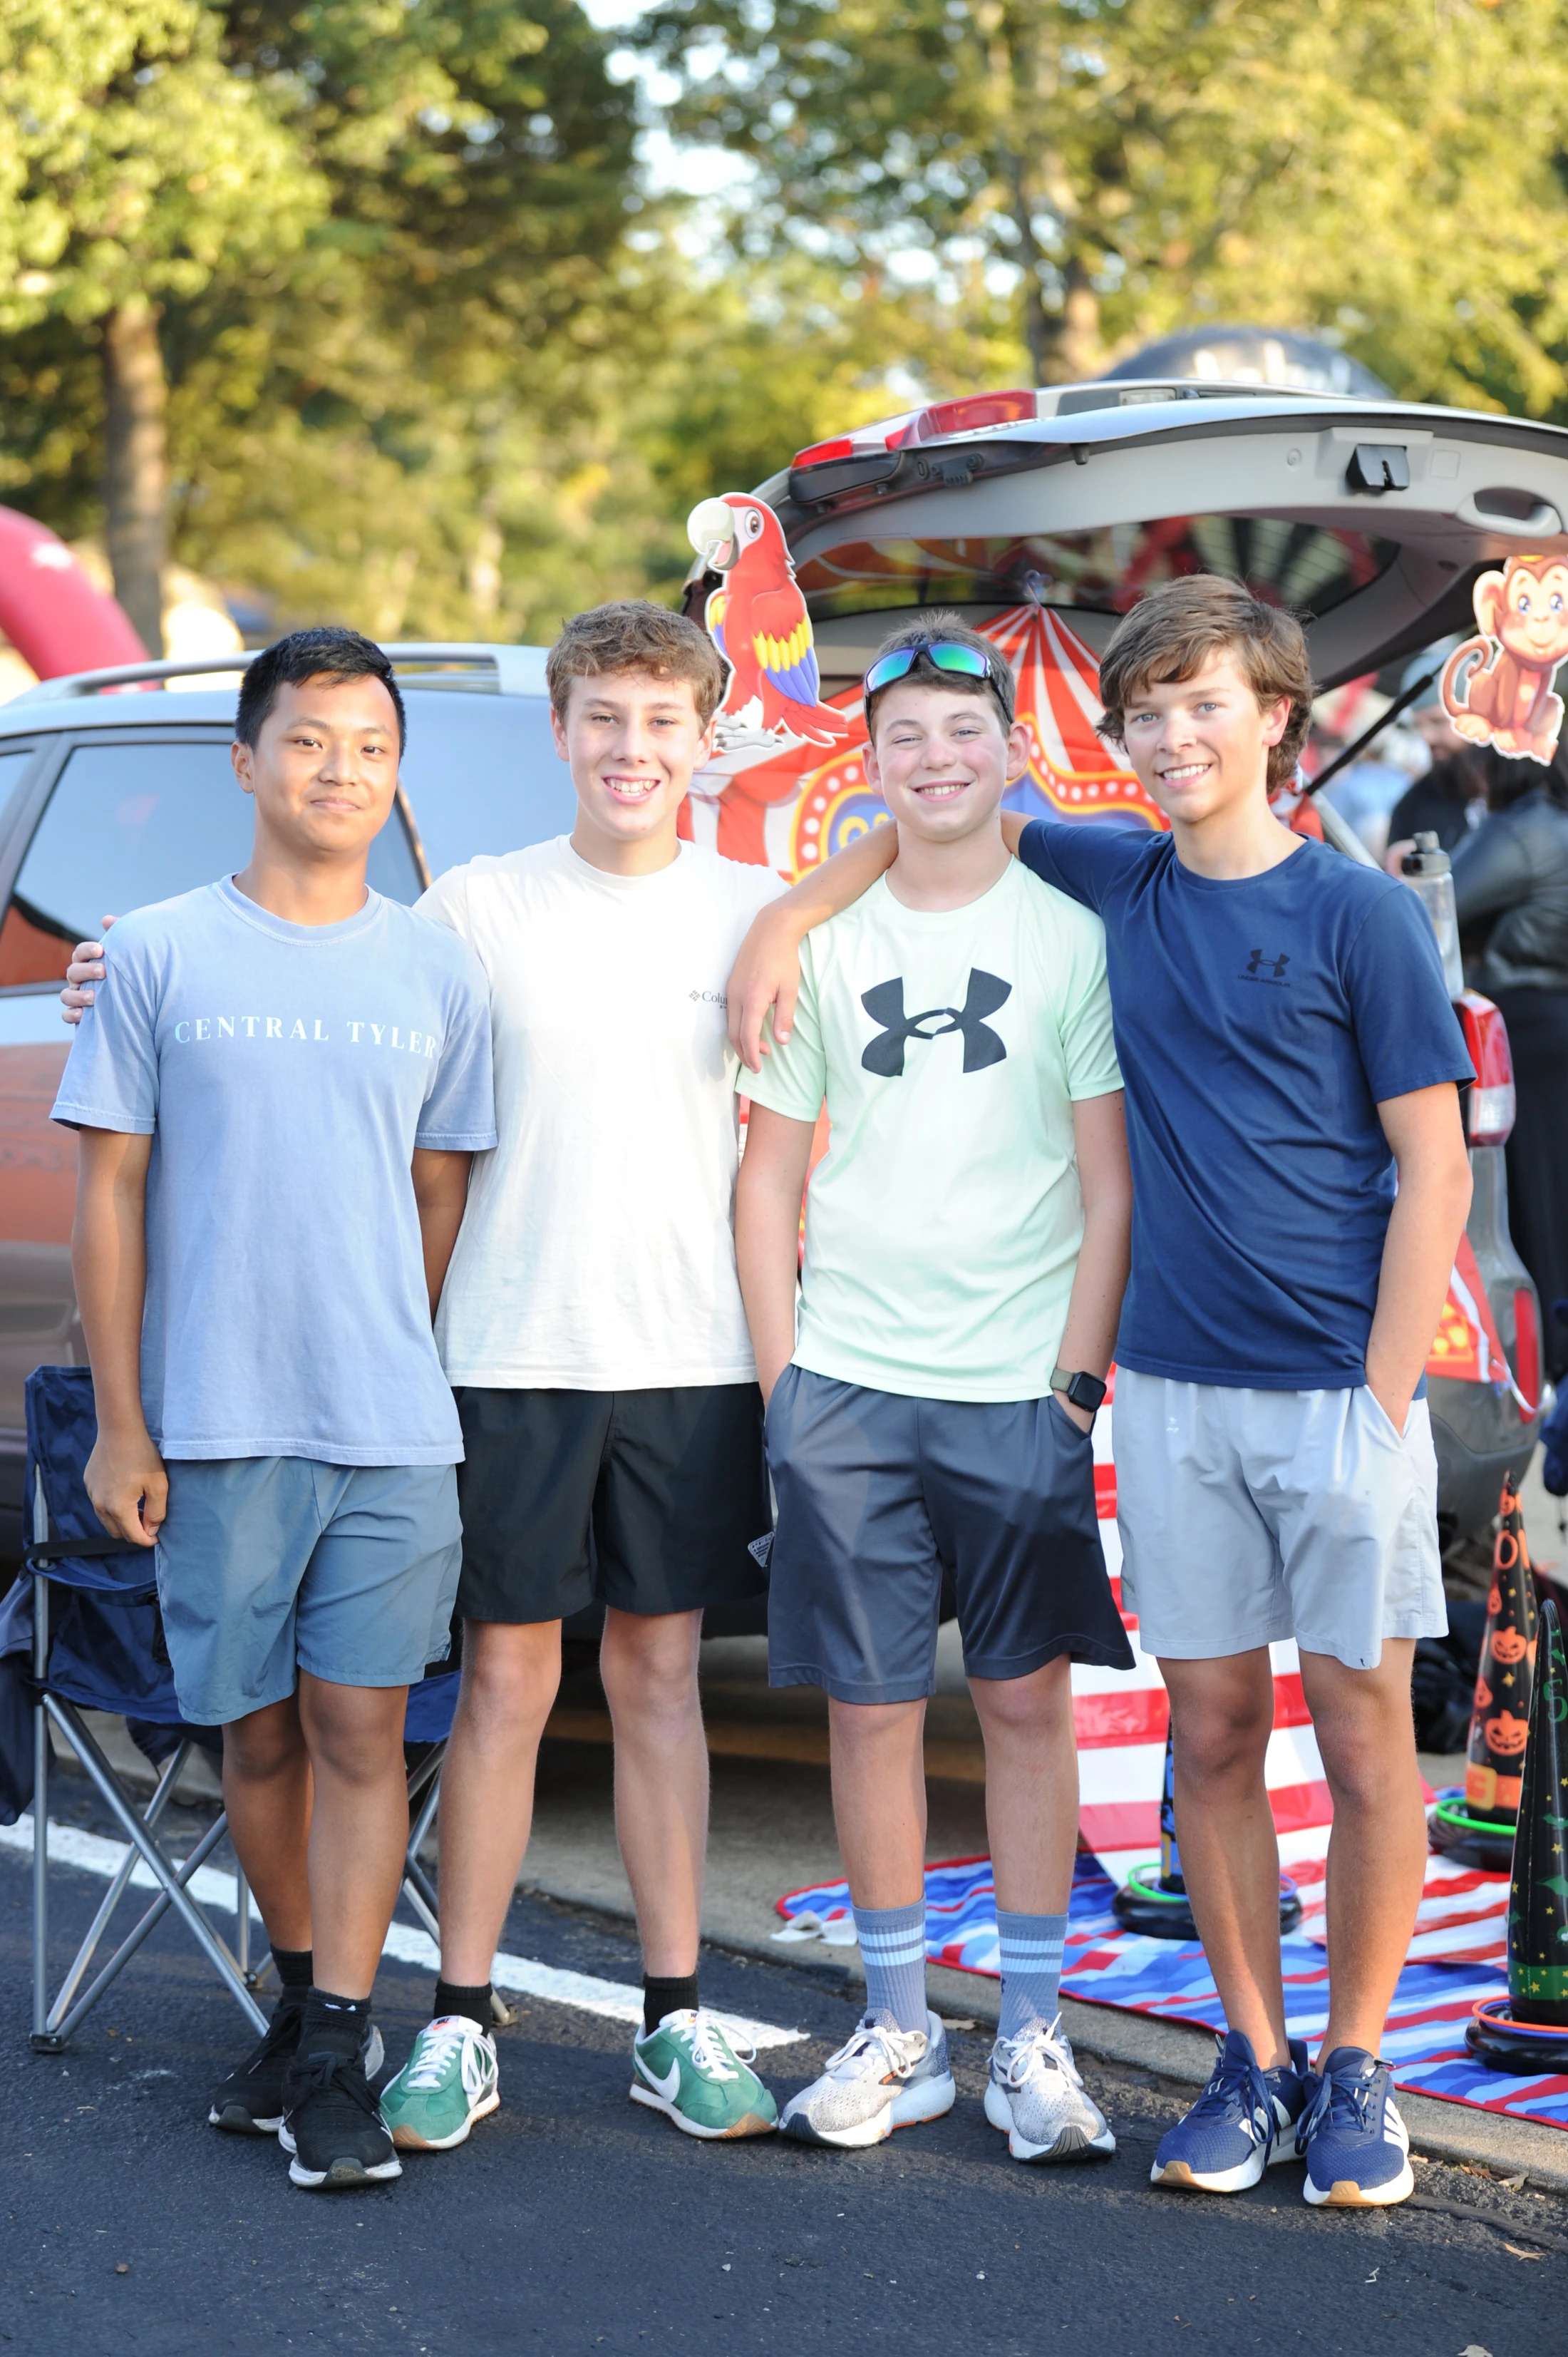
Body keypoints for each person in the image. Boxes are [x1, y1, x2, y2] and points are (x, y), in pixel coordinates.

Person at [726, 576, 1475, 2210]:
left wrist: (1380, 1394)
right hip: (1176, 1391)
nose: (1173, 735)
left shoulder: (1356, 915)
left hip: (1336, 1399)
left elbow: (1433, 1166)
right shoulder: (1115, 876)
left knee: (1362, 1735)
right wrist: (786, 916)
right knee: (1212, 1732)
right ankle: (1250, 2060)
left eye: (1204, 704)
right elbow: (942, 822)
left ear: (1275, 719)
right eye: (1146, 712)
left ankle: (1354, 2069)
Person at [65, 604, 787, 2150]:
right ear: (557, 731)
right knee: (483, 1689)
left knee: (638, 1683)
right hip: (497, 1358)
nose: (632, 748)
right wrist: (104, 971)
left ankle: (659, 2018)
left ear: (706, 738)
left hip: (674, 1354)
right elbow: (302, 986)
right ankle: (449, 2018)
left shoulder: (759, 911)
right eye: (603, 717)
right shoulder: (471, 909)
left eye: (663, 719)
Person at [53, 628, 497, 2191]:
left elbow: (437, 1196)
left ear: (396, 774)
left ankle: (332, 2048)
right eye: (308, 741)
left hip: (389, 1428)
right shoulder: (161, 952)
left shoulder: (438, 967)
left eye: (370, 747)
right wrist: (125, 1421)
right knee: (253, 1738)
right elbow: (111, 1195)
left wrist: (381, 1345)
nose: (339, 772)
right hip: (219, 1422)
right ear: (246, 762)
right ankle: (304, 2001)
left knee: (362, 1730)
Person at [733, 615, 1134, 2159]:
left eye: (965, 731)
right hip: (846, 1382)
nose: (936, 758)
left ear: (1010, 751)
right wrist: (784, 1383)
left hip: (1018, 1383)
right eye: (903, 736)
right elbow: (767, 1181)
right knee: (870, 1710)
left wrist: (1074, 1386)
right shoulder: (821, 943)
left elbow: (1108, 1185)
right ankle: (896, 2024)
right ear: (870, 761)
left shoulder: (1071, 933)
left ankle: (1029, 2035)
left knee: (1025, 1703)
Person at [1452, 747, 1568, 1382]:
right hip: (1548, 1021)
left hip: (1521, 1031)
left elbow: (1435, 900)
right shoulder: (1548, 823)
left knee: (1531, 1200)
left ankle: (1548, 1360)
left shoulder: (1523, 829)